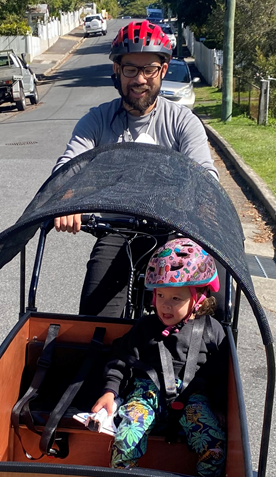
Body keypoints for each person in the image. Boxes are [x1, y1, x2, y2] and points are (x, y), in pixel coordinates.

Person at [52, 20, 220, 317]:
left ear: (163, 71)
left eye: (149, 69)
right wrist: (67, 199)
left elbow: (205, 175)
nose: (140, 79)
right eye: (131, 69)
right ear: (116, 70)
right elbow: (69, 165)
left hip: (175, 231)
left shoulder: (182, 122)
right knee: (94, 320)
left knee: (199, 317)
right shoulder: (98, 120)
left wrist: (200, 213)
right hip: (116, 231)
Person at [91, 239, 227, 477]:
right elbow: (120, 359)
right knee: (125, 439)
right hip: (147, 392)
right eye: (160, 295)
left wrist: (217, 404)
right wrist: (110, 391)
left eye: (176, 299)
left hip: (193, 396)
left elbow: (220, 372)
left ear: (199, 299)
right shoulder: (145, 327)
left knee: (215, 446)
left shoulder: (211, 330)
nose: (165, 304)